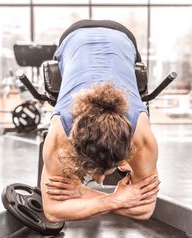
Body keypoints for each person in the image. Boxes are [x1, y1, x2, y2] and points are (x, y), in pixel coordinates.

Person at [41, 20, 160, 222]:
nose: (100, 180)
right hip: (72, 36)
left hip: (123, 36)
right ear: (73, 147)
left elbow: (144, 209)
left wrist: (83, 194)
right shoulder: (59, 136)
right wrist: (114, 200)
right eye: (96, 172)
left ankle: (120, 171)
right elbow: (52, 211)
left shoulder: (143, 140)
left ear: (128, 151)